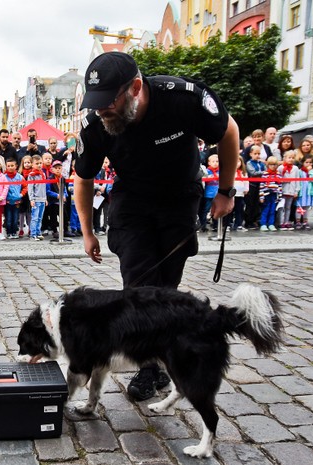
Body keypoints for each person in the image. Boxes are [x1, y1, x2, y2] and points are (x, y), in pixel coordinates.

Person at [73, 51, 239, 401]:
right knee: (139, 283)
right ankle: (149, 367)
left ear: (135, 88)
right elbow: (83, 179)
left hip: (180, 198)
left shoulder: (184, 99)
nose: (102, 110)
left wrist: (225, 191)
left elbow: (230, 131)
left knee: (167, 283)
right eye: (96, 102)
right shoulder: (95, 124)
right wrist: (88, 232)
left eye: (109, 102)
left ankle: (168, 351)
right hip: (132, 202)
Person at [259, 157, 282, 232]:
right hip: (266, 194)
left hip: (274, 194)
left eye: (275, 165)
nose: (273, 166)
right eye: (271, 165)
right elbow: (262, 186)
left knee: (273, 210)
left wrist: (280, 196)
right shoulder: (265, 174)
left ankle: (271, 224)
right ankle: (263, 224)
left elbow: (280, 185)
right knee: (266, 210)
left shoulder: (278, 175)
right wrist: (261, 196)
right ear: (268, 165)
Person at [27, 155, 47, 240]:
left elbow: (44, 187)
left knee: (40, 217)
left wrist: (45, 198)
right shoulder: (31, 175)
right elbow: (30, 188)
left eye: (40, 163)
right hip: (35, 199)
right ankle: (33, 233)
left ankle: (38, 232)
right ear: (32, 164)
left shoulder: (43, 174)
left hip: (42, 199)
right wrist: (31, 199)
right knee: (34, 217)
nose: (39, 165)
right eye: (37, 163)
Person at [295, 156, 313, 230]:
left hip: (308, 192)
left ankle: (305, 221)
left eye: (310, 162)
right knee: (299, 207)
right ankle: (298, 221)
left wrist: (310, 172)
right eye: (306, 162)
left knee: (307, 208)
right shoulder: (299, 171)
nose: (308, 164)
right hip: (301, 192)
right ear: (303, 163)